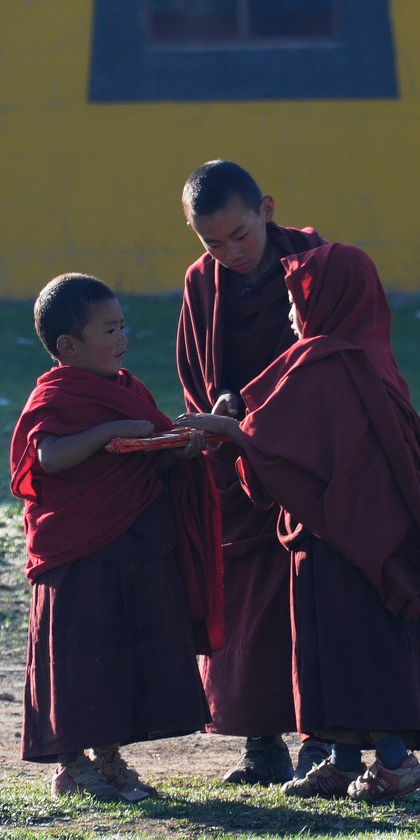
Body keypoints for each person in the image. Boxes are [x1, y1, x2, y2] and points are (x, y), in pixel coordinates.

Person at [176, 242, 420, 802]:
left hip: (338, 538)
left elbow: (281, 447)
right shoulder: (371, 356)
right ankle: (340, 762)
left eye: (294, 301)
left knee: (353, 650)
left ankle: (396, 763)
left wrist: (228, 430)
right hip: (364, 535)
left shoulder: (324, 362)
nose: (287, 314)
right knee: (328, 648)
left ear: (326, 299)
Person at [11, 272, 223, 803]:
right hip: (79, 550)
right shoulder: (55, 394)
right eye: (108, 330)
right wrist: (109, 432)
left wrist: (182, 448)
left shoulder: (128, 389)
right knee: (80, 652)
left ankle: (107, 758)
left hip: (133, 544)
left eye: (122, 325)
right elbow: (49, 456)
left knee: (120, 649)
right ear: (68, 346)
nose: (122, 338)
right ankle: (68, 764)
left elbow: (151, 444)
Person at [176, 159, 332, 784]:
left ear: (266, 209)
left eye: (240, 234)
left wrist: (274, 426)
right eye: (212, 242)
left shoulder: (317, 265)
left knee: (314, 596)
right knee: (247, 603)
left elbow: (335, 359)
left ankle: (324, 740)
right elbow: (195, 369)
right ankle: (260, 745)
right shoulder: (201, 282)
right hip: (234, 462)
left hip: (306, 456)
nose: (230, 252)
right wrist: (219, 417)